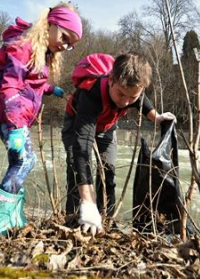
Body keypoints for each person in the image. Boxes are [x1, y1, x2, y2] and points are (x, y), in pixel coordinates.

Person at [0, 3, 82, 235]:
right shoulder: (23, 45)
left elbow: (29, 79)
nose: (65, 46)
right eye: (65, 37)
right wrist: (15, 126)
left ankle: (12, 214)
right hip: (6, 112)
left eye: (70, 45)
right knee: (25, 160)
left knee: (22, 160)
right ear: (51, 24)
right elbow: (11, 85)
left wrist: (48, 89)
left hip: (12, 112)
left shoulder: (39, 49)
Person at [61, 53, 175, 236]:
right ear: (111, 79)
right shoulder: (91, 93)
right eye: (121, 94)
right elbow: (82, 147)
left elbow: (141, 101)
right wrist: (88, 202)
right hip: (77, 123)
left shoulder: (133, 92)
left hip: (106, 127)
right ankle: (74, 221)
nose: (124, 102)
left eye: (131, 97)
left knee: (108, 172)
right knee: (77, 172)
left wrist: (157, 117)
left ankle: (107, 222)